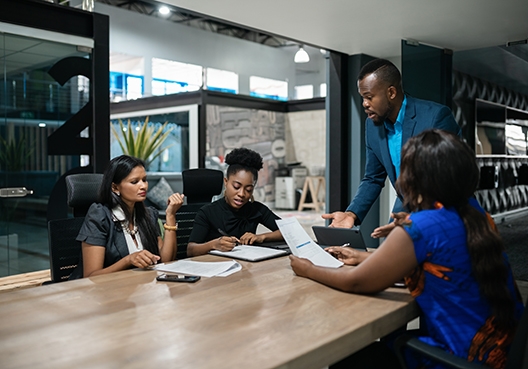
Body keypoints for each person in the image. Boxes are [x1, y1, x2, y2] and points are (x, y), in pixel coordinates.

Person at [290, 129, 524, 368]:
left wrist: (308, 269)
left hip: (459, 359)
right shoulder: (478, 217)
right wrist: (362, 257)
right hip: (498, 352)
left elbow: (357, 283)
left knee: (349, 358)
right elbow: (444, 266)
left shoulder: (422, 227)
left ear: (415, 180)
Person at [323, 58, 461, 236]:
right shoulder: (372, 126)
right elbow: (373, 178)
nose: (364, 103)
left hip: (442, 210)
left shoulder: (436, 116)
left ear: (391, 92)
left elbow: (450, 177)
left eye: (369, 97)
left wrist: (414, 221)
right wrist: (352, 213)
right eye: (362, 97)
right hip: (405, 207)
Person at [70, 155, 184, 278]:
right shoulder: (99, 216)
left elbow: (166, 261)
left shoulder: (148, 215)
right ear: (115, 187)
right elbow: (91, 276)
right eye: (134, 182)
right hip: (104, 290)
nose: (143, 186)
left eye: (144, 180)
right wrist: (128, 260)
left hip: (139, 286)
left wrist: (170, 215)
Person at [187, 147, 283, 256]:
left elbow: (289, 232)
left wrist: (262, 237)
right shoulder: (207, 212)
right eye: (236, 187)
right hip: (216, 267)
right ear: (226, 182)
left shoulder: (256, 209)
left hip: (247, 266)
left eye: (248, 190)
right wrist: (213, 245)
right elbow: (191, 250)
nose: (242, 194)